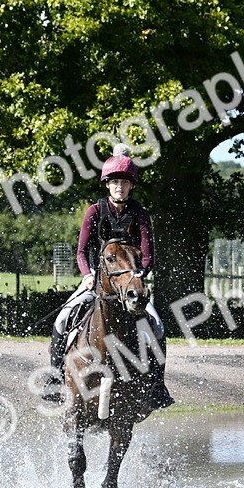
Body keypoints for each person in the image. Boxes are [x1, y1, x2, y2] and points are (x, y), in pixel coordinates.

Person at [43, 144, 173, 409]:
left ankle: (158, 387)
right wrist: (87, 275)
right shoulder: (94, 211)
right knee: (61, 321)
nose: (119, 188)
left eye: (124, 183)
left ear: (131, 186)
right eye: (115, 183)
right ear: (107, 185)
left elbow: (148, 256)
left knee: (157, 328)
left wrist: (138, 275)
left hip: (130, 285)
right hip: (97, 280)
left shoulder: (140, 215)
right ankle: (56, 379)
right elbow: (81, 251)